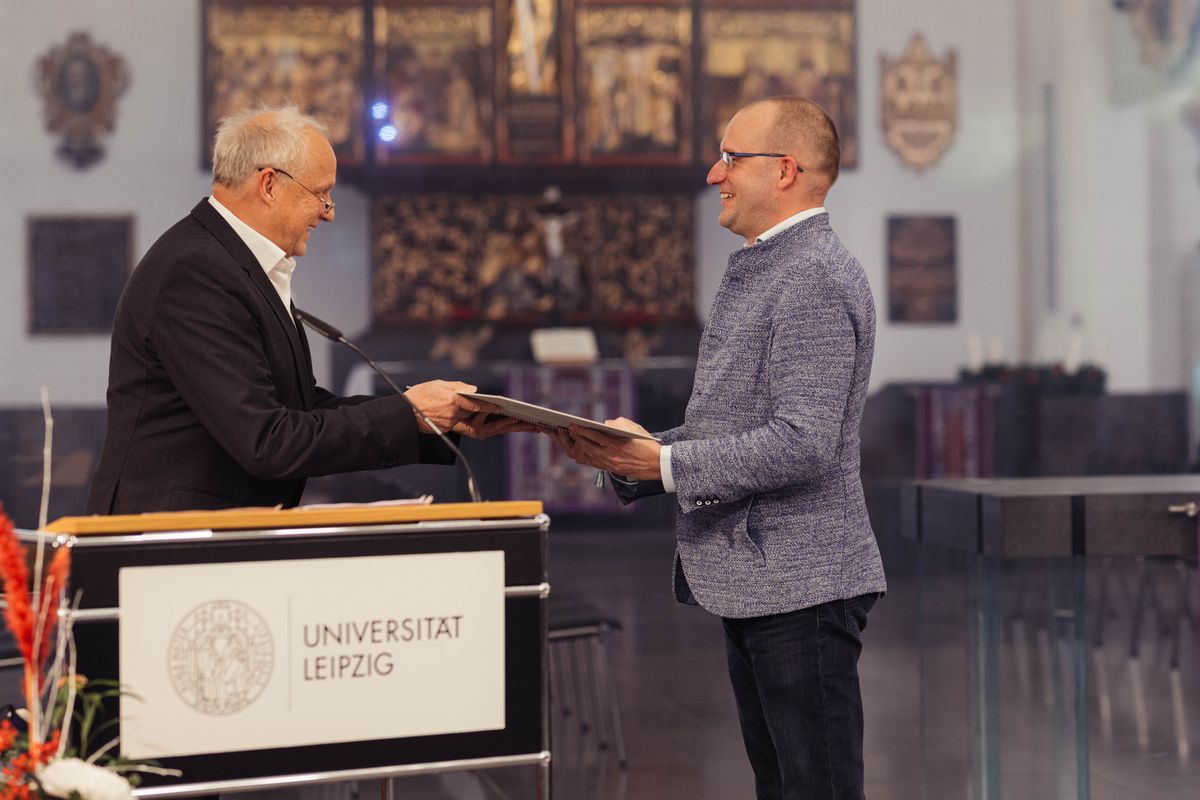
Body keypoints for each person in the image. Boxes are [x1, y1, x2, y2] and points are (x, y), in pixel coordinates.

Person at [551, 96, 885, 800]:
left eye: (732, 158)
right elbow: (739, 421)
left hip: (803, 581)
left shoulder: (814, 276)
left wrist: (668, 465)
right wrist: (633, 455)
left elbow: (804, 443)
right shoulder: (771, 266)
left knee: (814, 788)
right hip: (766, 582)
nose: (714, 173)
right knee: (781, 785)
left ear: (786, 170)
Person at [87, 104, 524, 515]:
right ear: (270, 185)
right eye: (322, 194)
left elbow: (297, 406)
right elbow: (267, 440)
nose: (328, 213)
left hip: (212, 530)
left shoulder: (229, 262)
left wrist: (427, 420)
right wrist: (409, 413)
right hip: (169, 539)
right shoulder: (196, 271)